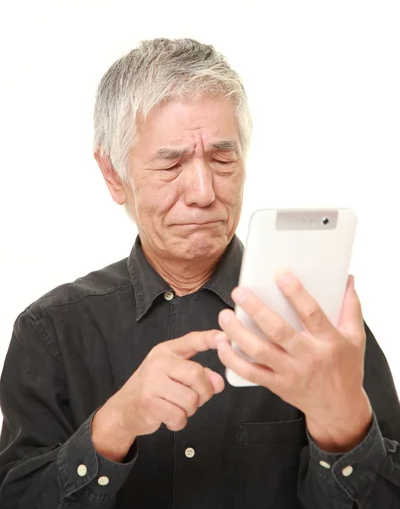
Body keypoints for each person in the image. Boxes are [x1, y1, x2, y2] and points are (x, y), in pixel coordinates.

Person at [0, 39, 399, 509]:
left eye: (223, 159)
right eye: (171, 163)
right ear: (113, 175)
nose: (204, 192)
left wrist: (344, 427)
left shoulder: (320, 326)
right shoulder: (51, 331)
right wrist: (113, 427)